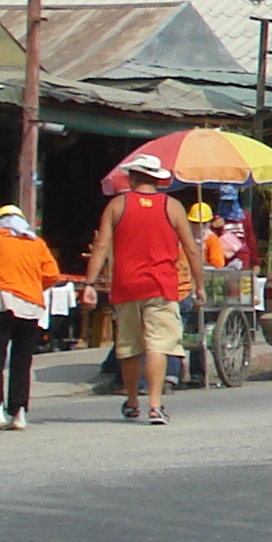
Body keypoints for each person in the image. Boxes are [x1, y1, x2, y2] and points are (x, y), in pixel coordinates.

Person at [88, 153, 205, 426]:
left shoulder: (117, 205)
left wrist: (89, 284)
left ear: (132, 177)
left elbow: (101, 246)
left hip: (126, 285)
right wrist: (199, 285)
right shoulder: (172, 206)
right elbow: (191, 248)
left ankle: (132, 401)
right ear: (156, 179)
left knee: (129, 345)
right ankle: (154, 405)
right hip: (161, 285)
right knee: (158, 344)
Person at [0, 204, 61, 434]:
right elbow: (52, 274)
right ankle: (18, 412)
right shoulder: (35, 242)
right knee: (22, 360)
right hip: (32, 305)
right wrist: (31, 286)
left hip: (5, 301)